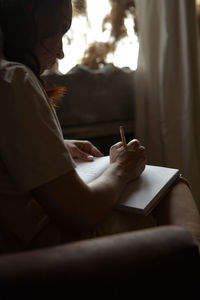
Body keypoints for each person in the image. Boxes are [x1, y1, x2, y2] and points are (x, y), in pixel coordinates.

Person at [0, 0, 199, 254]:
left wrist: (54, 145)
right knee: (175, 187)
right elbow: (80, 213)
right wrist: (120, 167)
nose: (60, 52)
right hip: (48, 244)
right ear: (32, 11)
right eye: (60, 29)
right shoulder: (14, 80)